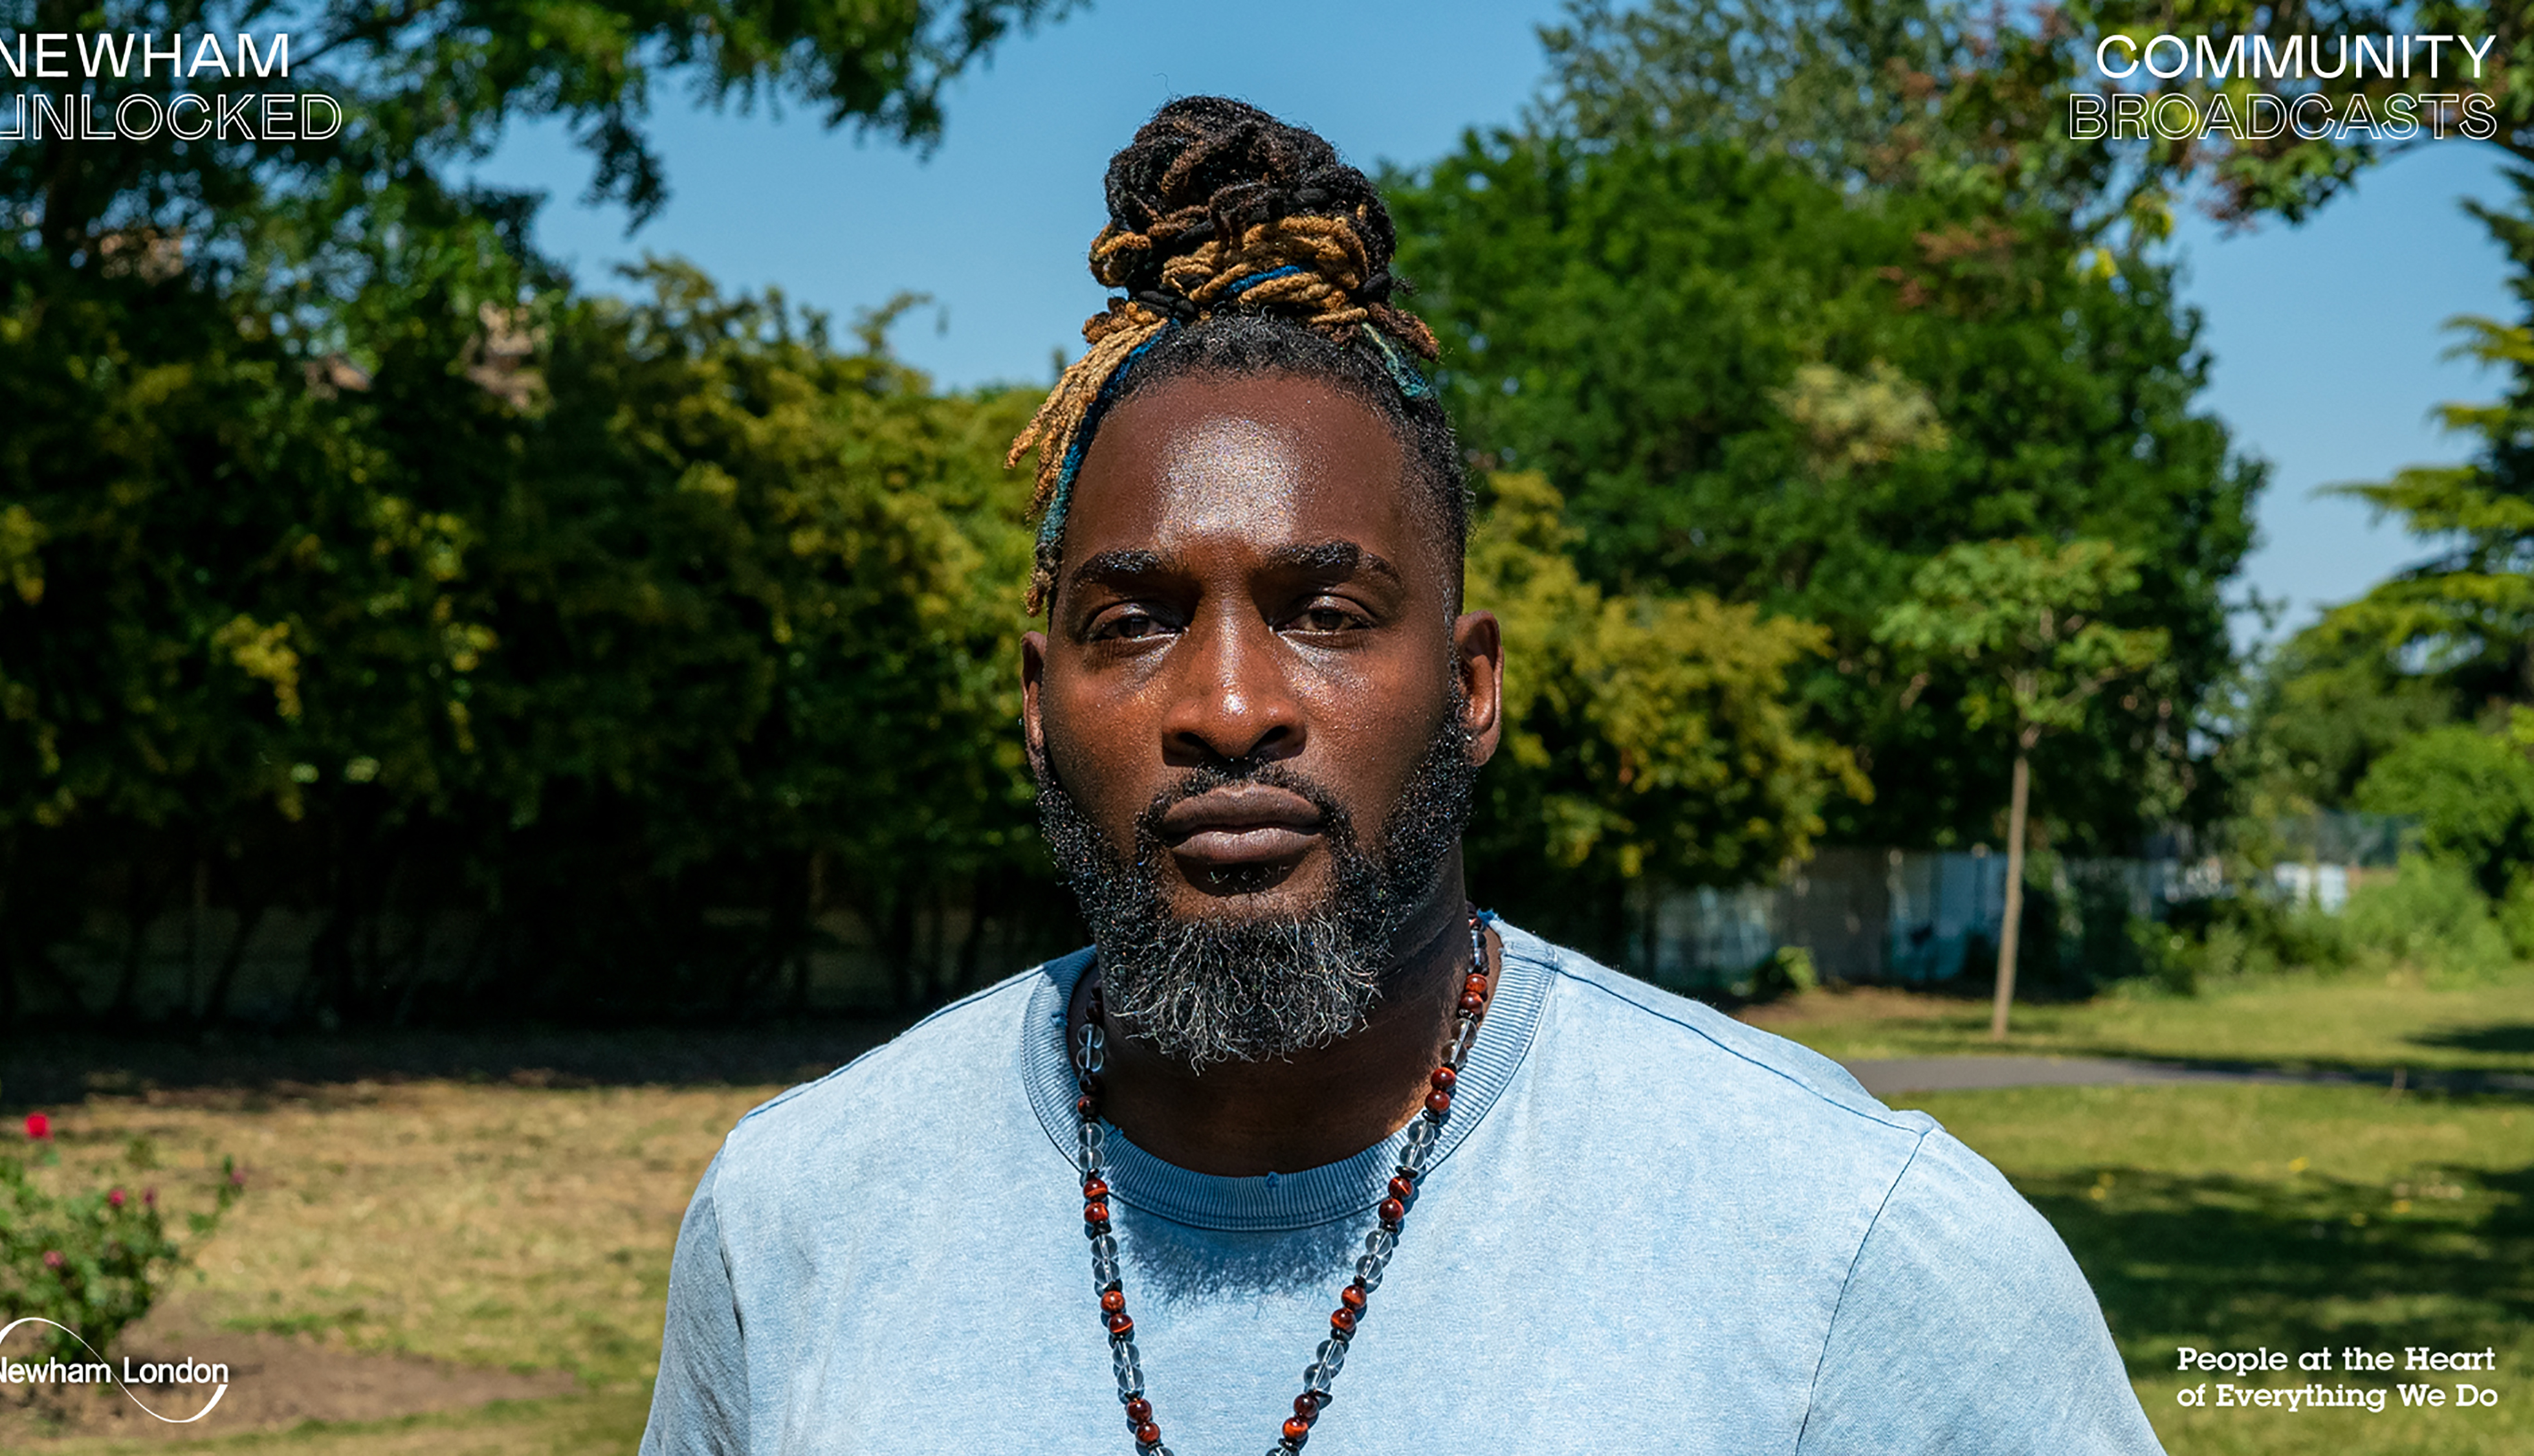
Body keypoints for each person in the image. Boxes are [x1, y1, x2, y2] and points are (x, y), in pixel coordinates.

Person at [640, 96, 2165, 1455]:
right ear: (1037, 704)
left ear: (1471, 685)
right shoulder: (800, 1221)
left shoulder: (1844, 1247)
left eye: (1324, 615)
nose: (1228, 706)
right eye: (1133, 621)